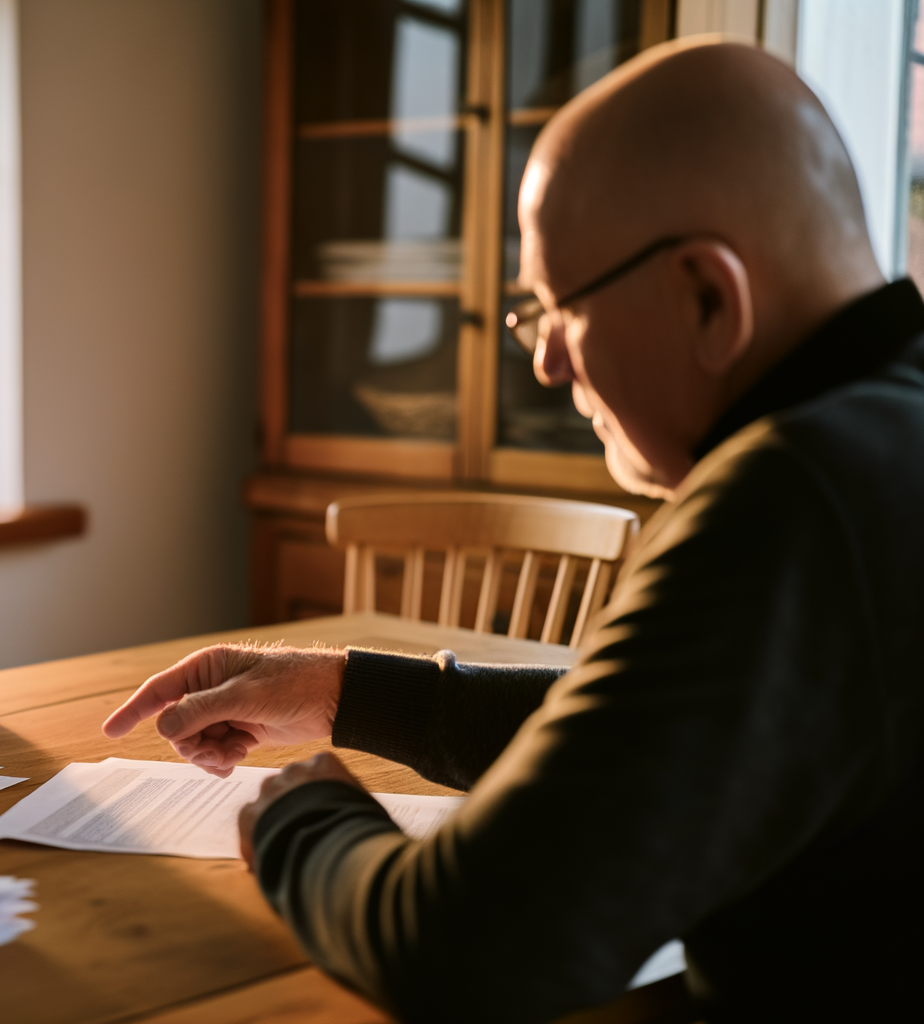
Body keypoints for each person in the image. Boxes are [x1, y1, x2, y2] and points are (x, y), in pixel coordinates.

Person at [103, 40, 921, 1022]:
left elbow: (463, 947)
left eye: (555, 310)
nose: (544, 368)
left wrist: (302, 817)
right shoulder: (883, 442)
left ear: (709, 295)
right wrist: (343, 691)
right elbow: (641, 737)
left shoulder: (791, 492)